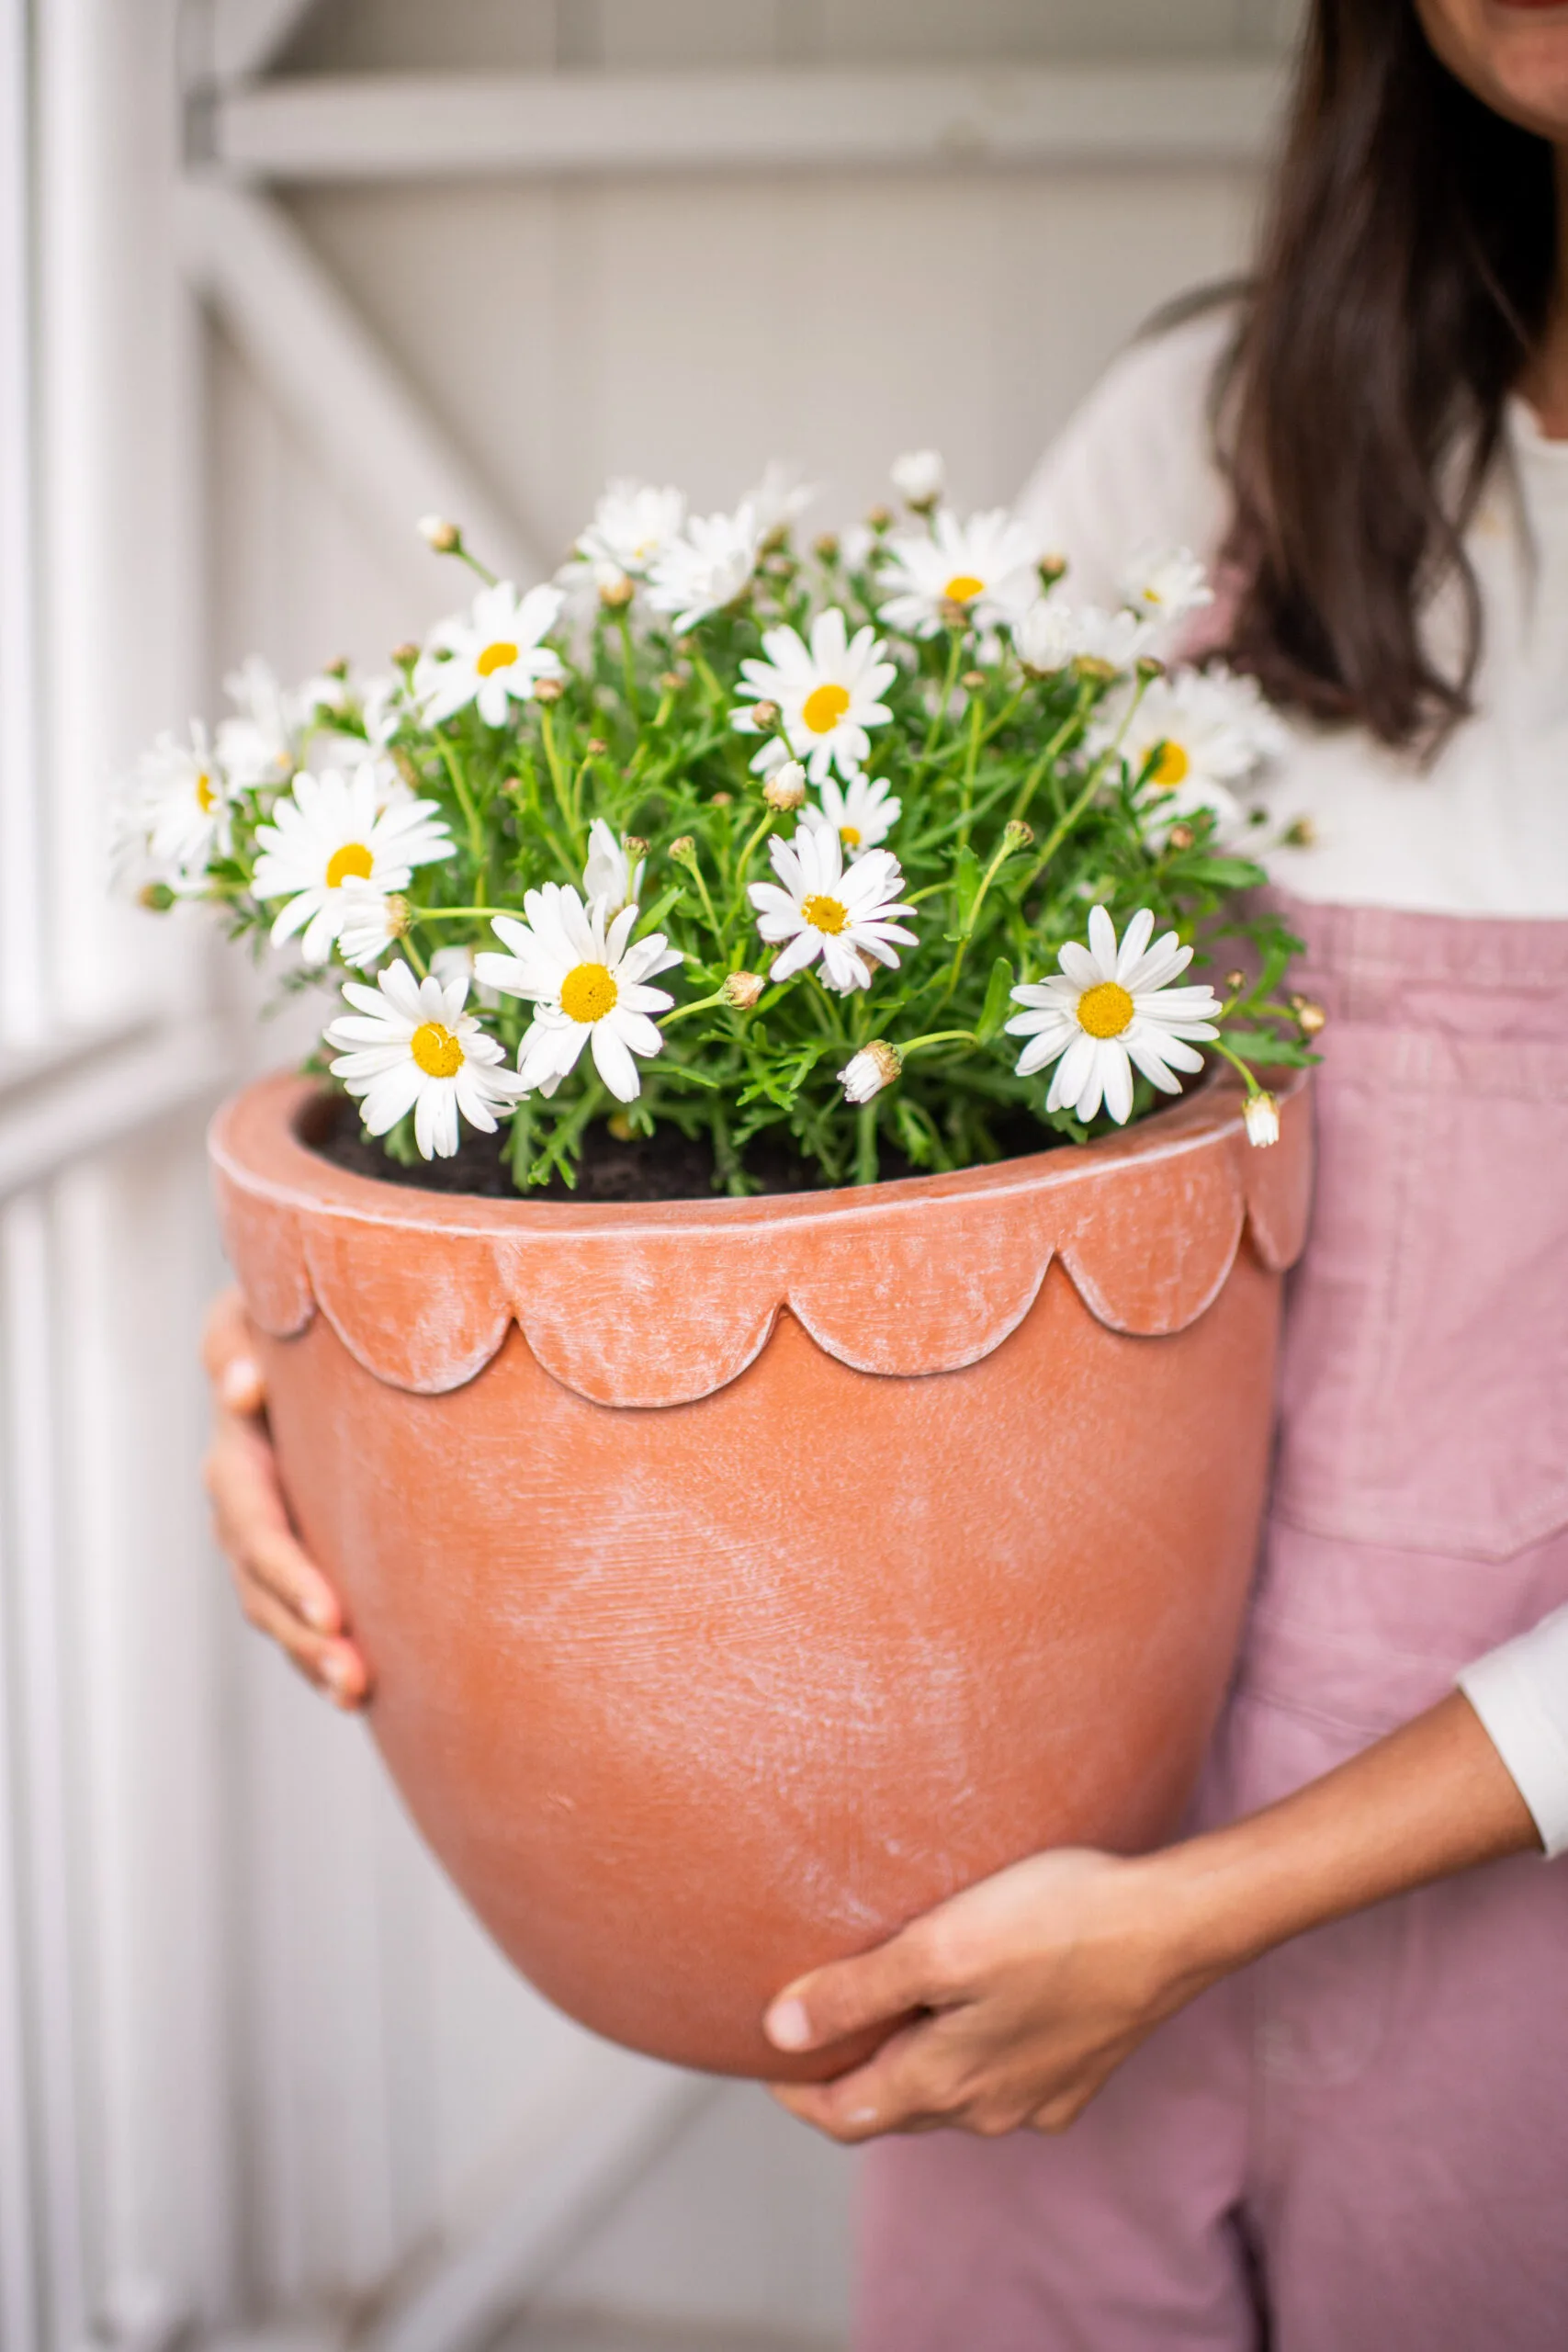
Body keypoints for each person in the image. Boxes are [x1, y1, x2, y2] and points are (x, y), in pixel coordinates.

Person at [202, 1, 1568, 2341]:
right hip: (1019, 1867)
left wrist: (1206, 1914)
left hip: (1490, 1915)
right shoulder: (1226, 431)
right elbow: (838, 1068)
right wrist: (339, 1354)